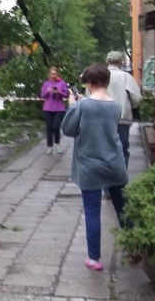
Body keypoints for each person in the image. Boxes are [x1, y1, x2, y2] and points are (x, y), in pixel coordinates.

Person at [61, 63, 128, 272]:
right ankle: (136, 246)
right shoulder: (116, 106)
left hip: (89, 165)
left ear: (89, 83)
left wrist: (72, 105)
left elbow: (68, 129)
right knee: (123, 208)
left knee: (92, 211)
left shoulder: (83, 106)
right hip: (115, 164)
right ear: (107, 81)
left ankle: (94, 258)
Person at [104, 51, 142, 167]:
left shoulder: (100, 76)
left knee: (104, 150)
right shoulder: (126, 77)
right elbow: (136, 98)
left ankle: (105, 178)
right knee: (122, 149)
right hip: (121, 119)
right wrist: (132, 106)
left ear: (107, 61)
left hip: (101, 119)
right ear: (121, 62)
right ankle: (119, 180)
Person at [40, 67, 69, 155]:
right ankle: (49, 146)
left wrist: (59, 92)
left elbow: (66, 95)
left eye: (55, 74)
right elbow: (42, 95)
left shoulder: (62, 83)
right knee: (49, 128)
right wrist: (48, 91)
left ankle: (57, 143)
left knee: (56, 127)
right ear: (49, 75)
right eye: (52, 74)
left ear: (57, 75)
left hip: (59, 109)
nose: (53, 76)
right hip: (48, 108)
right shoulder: (46, 83)